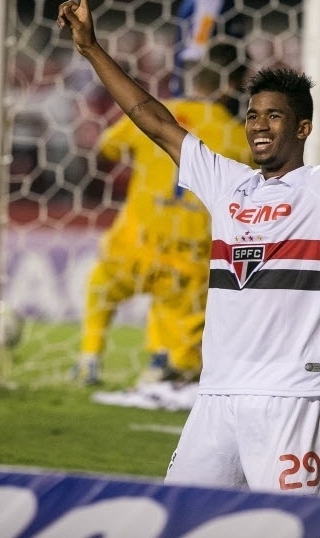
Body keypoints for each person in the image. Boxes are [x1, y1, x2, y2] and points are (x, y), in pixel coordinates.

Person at [58, 0, 320, 493]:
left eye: (273, 116)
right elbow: (153, 119)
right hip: (217, 396)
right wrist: (89, 48)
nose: (257, 126)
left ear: (303, 127)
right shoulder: (228, 184)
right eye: (252, 115)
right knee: (182, 519)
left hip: (292, 396)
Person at [72, 0, 261, 396]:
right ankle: (172, 361)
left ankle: (146, 359)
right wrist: (198, 108)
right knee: (187, 272)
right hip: (192, 126)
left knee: (140, 272)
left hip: (181, 130)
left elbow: (103, 150)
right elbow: (197, 57)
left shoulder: (221, 0)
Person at [73, 43, 253, 400]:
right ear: (232, 87)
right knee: (183, 341)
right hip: (188, 255)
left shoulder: (156, 115)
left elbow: (107, 148)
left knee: (101, 287)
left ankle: (89, 359)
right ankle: (165, 367)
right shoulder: (235, 136)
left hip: (136, 241)